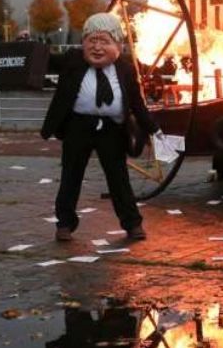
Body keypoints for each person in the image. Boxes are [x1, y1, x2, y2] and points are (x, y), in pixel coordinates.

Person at [40, 13, 159, 241]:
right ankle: (64, 224)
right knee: (71, 176)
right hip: (78, 126)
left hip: (111, 129)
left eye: (104, 41)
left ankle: (132, 223)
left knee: (119, 178)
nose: (97, 47)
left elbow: (136, 103)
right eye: (91, 40)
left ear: (118, 45)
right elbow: (44, 60)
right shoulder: (73, 60)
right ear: (83, 43)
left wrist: (154, 129)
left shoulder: (125, 69)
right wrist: (22, 53)